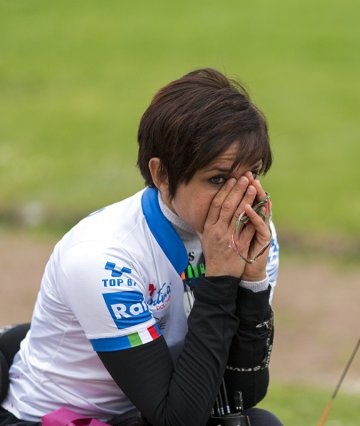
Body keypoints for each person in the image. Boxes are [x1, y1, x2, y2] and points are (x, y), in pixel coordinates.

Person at [0, 68, 282, 426]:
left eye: (252, 174)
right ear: (162, 175)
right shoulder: (103, 258)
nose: (240, 199)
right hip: (46, 418)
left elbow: (240, 394)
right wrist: (222, 278)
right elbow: (177, 420)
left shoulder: (253, 234)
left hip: (146, 411)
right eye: (218, 179)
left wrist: (253, 287)